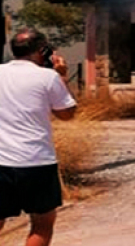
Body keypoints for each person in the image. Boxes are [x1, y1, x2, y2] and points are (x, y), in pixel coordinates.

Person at [0, 29, 77, 246]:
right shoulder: (48, 77)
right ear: (42, 51)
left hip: (1, 161)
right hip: (36, 162)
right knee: (42, 223)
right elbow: (67, 114)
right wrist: (62, 76)